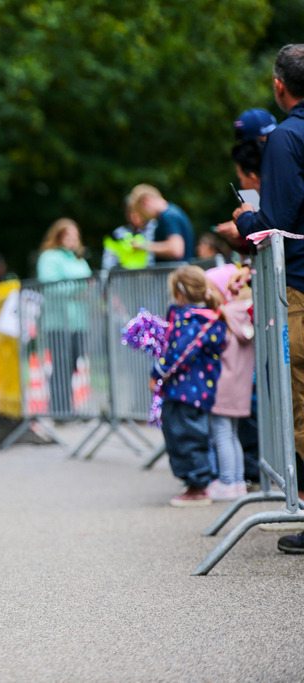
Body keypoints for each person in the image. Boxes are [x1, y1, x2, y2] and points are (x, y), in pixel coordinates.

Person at [221, 44, 304, 552]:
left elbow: (277, 220)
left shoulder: (287, 138)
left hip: (300, 283)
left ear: (279, 86)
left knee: (300, 400)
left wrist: (242, 219)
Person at [152, 265, 227, 506]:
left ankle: (198, 485)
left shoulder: (191, 320)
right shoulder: (205, 317)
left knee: (186, 435)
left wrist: (159, 372)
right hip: (196, 388)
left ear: (179, 293)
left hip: (186, 389)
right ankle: (197, 480)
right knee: (189, 433)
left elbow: (180, 352)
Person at [205, 264, 254, 501]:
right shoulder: (245, 313)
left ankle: (227, 480)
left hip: (222, 386)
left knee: (222, 434)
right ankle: (236, 480)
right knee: (232, 435)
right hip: (240, 387)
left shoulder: (224, 316)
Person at [35, 218, 93, 416]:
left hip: (78, 321)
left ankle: (65, 405)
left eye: (76, 236)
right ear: (58, 236)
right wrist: (78, 288)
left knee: (73, 364)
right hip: (58, 321)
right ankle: (61, 409)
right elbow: (50, 286)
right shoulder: (49, 257)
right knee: (61, 364)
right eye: (68, 235)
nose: (73, 240)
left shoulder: (78, 259)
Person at [129, 184, 194, 263]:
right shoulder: (171, 212)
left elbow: (176, 250)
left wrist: (143, 245)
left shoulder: (168, 216)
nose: (143, 217)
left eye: (141, 212)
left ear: (145, 201)